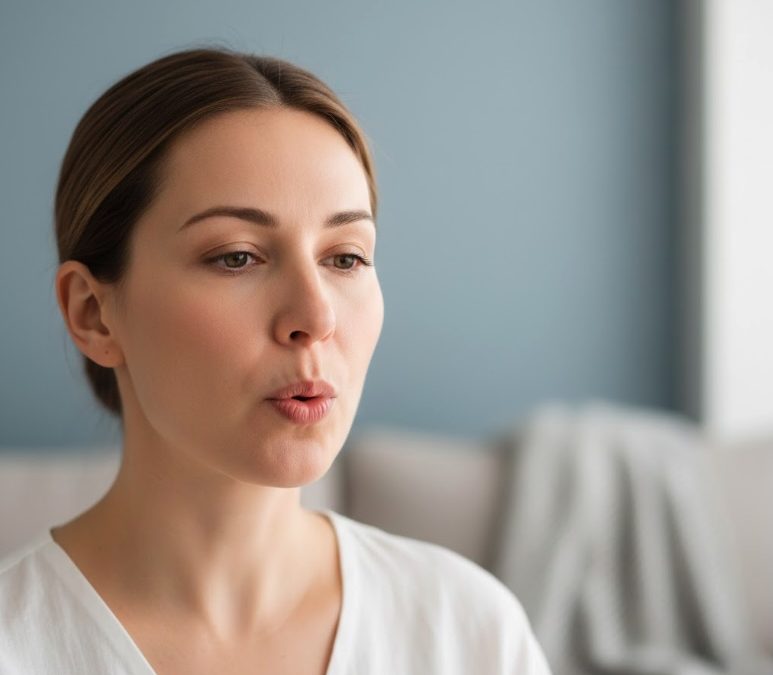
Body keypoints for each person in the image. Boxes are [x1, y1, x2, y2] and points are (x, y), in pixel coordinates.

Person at [0, 47, 551, 674]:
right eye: (237, 257)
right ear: (93, 314)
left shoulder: (466, 631)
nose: (316, 318)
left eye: (345, 257)